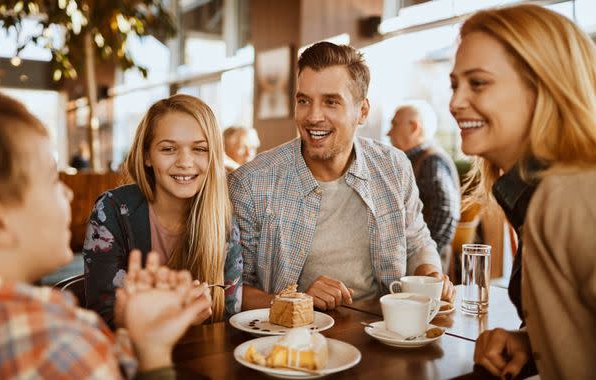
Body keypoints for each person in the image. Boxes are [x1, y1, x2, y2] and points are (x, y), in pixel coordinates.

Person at [0, 85, 211, 378]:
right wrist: (155, 359)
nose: (69, 195)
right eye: (52, 180)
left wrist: (143, 340)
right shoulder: (64, 347)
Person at [229, 42, 455, 311]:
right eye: (304, 101)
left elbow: (417, 242)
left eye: (331, 102)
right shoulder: (252, 183)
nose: (313, 116)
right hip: (290, 343)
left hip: (384, 331)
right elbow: (234, 289)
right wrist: (297, 303)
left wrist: (430, 276)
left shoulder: (393, 166)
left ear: (362, 112)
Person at [448, 4, 596, 379]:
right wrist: (533, 342)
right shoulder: (538, 191)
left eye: (478, 83)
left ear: (544, 85)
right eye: (455, 84)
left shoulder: (575, 194)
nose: (454, 102)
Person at [83, 94, 242, 329]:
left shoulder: (222, 220)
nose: (185, 162)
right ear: (147, 155)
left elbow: (229, 316)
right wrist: (175, 319)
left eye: (199, 149)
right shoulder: (112, 211)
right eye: (168, 149)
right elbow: (102, 318)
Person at [388, 100, 460, 270]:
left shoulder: (432, 160)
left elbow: (446, 211)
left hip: (424, 272)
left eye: (394, 124)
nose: (388, 131)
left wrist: (426, 256)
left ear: (414, 127)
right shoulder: (409, 160)